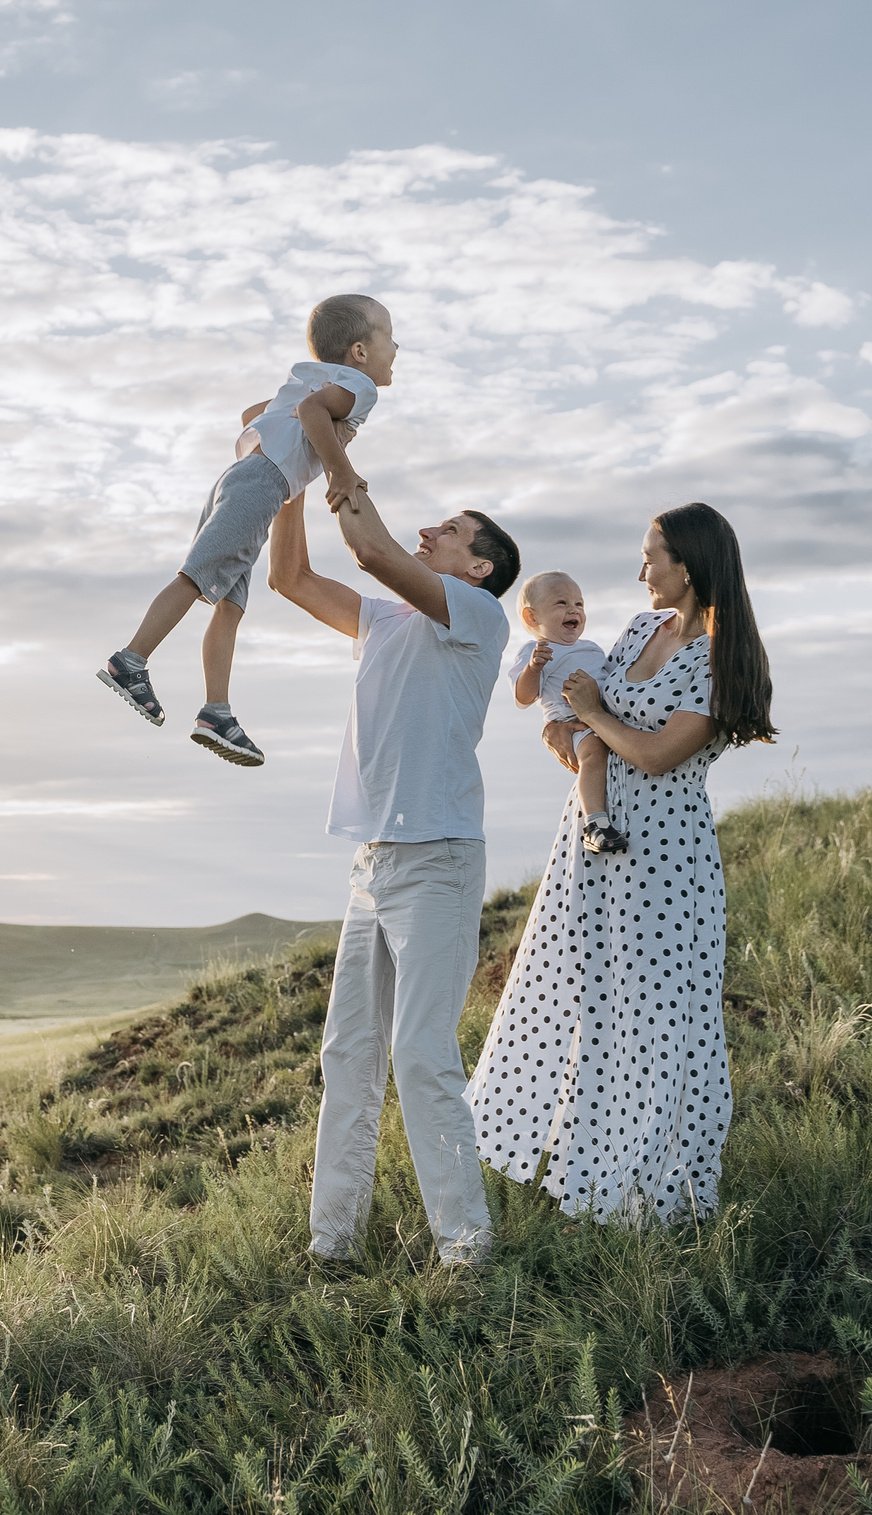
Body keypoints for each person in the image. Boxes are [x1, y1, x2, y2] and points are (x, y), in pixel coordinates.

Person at [462, 502, 775, 1225]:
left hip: (664, 861)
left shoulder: (720, 655)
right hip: (591, 847)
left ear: (688, 566)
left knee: (661, 1022)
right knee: (591, 1005)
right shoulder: (641, 629)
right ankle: (596, 1183)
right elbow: (573, 720)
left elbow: (663, 753)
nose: (640, 573)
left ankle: (667, 1195)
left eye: (650, 557)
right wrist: (568, 735)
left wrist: (592, 718)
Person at [267, 477, 519, 1268]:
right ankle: (331, 1243)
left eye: (449, 529)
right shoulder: (386, 618)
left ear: (477, 567)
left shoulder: (476, 614)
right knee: (348, 1052)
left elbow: (372, 548)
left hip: (438, 860)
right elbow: (290, 579)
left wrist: (331, 445)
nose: (429, 530)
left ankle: (466, 1248)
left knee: (419, 1053)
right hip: (372, 865)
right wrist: (285, 482)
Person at [96, 295, 395, 767]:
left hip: (243, 479)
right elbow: (314, 412)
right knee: (196, 576)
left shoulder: (313, 378)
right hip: (261, 483)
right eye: (389, 337)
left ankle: (217, 712)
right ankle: (131, 660)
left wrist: (304, 448)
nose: (396, 348)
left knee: (230, 603)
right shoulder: (360, 387)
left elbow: (255, 414)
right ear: (359, 352)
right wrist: (338, 468)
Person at [510, 571, 622, 854]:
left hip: (602, 718)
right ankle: (595, 824)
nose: (574, 610)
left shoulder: (593, 649)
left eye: (579, 604)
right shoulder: (537, 651)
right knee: (593, 755)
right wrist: (534, 668)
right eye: (561, 603)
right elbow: (524, 698)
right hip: (570, 723)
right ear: (532, 618)